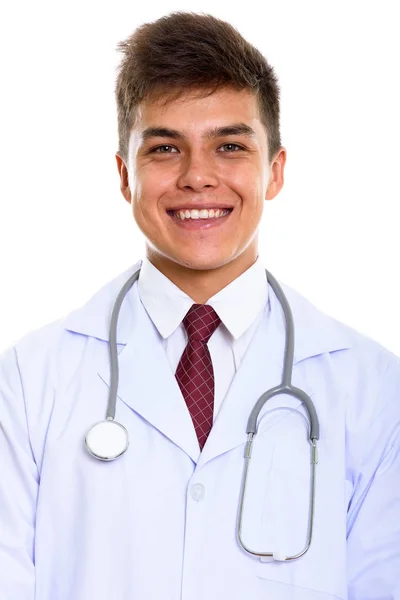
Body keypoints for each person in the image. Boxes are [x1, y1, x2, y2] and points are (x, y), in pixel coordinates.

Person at [0, 11, 399, 600]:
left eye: (230, 145)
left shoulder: (372, 386)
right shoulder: (30, 380)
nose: (198, 176)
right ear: (123, 175)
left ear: (275, 171)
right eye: (164, 148)